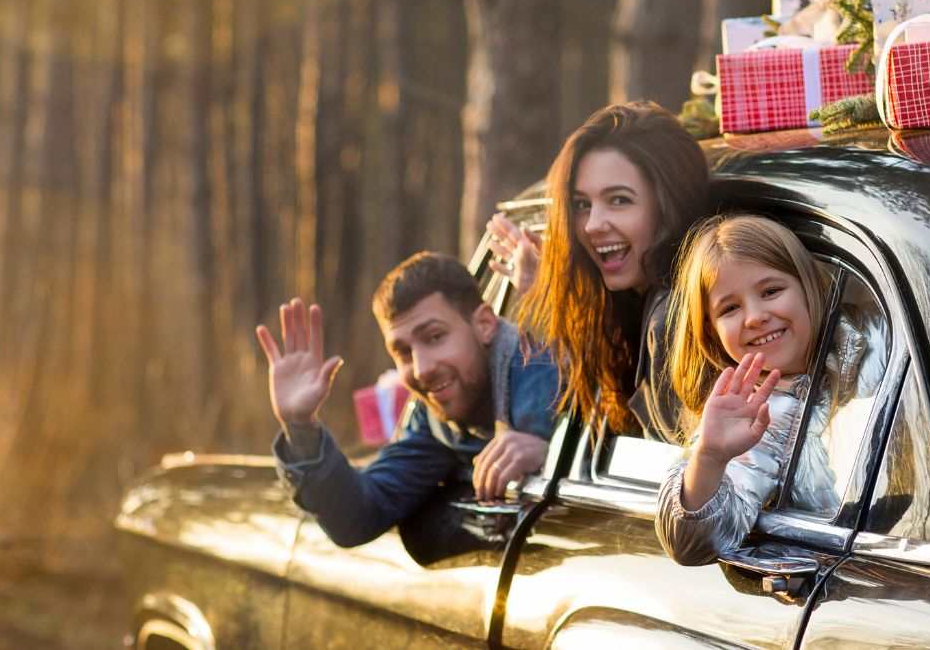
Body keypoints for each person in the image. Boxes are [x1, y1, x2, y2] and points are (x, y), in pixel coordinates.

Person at [255, 251, 559, 548]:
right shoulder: (436, 421)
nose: (422, 368)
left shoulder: (556, 363)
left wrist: (551, 455)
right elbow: (358, 516)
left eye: (435, 337)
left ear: (484, 324)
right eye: (402, 352)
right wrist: (300, 427)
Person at [654, 215, 877, 565]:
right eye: (730, 308)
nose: (755, 316)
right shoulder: (751, 417)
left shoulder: (880, 339)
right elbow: (690, 546)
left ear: (810, 287)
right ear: (712, 332)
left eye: (771, 291)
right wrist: (711, 457)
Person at [486, 101, 710, 442]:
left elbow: (677, 478)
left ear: (669, 206)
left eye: (619, 200)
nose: (591, 225)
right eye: (581, 205)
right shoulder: (640, 305)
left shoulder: (674, 319)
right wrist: (551, 294)